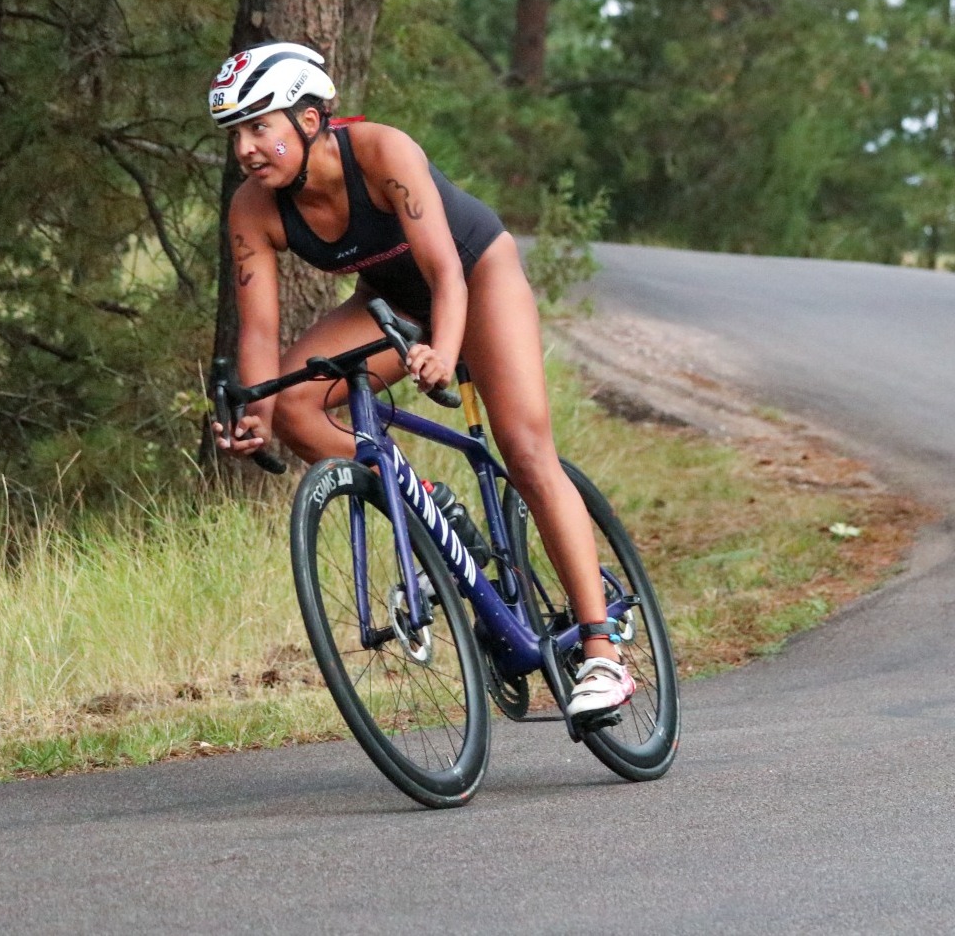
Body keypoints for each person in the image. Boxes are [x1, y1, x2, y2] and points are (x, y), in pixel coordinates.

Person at [204, 42, 633, 720]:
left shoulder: (380, 152)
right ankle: (429, 505)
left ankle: (603, 653)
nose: (248, 149)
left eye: (261, 126)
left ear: (310, 119)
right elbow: (258, 333)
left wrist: (444, 349)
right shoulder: (252, 209)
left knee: (523, 451)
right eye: (237, 135)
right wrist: (253, 413)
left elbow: (446, 272)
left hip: (475, 276)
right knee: (293, 406)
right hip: (392, 303)